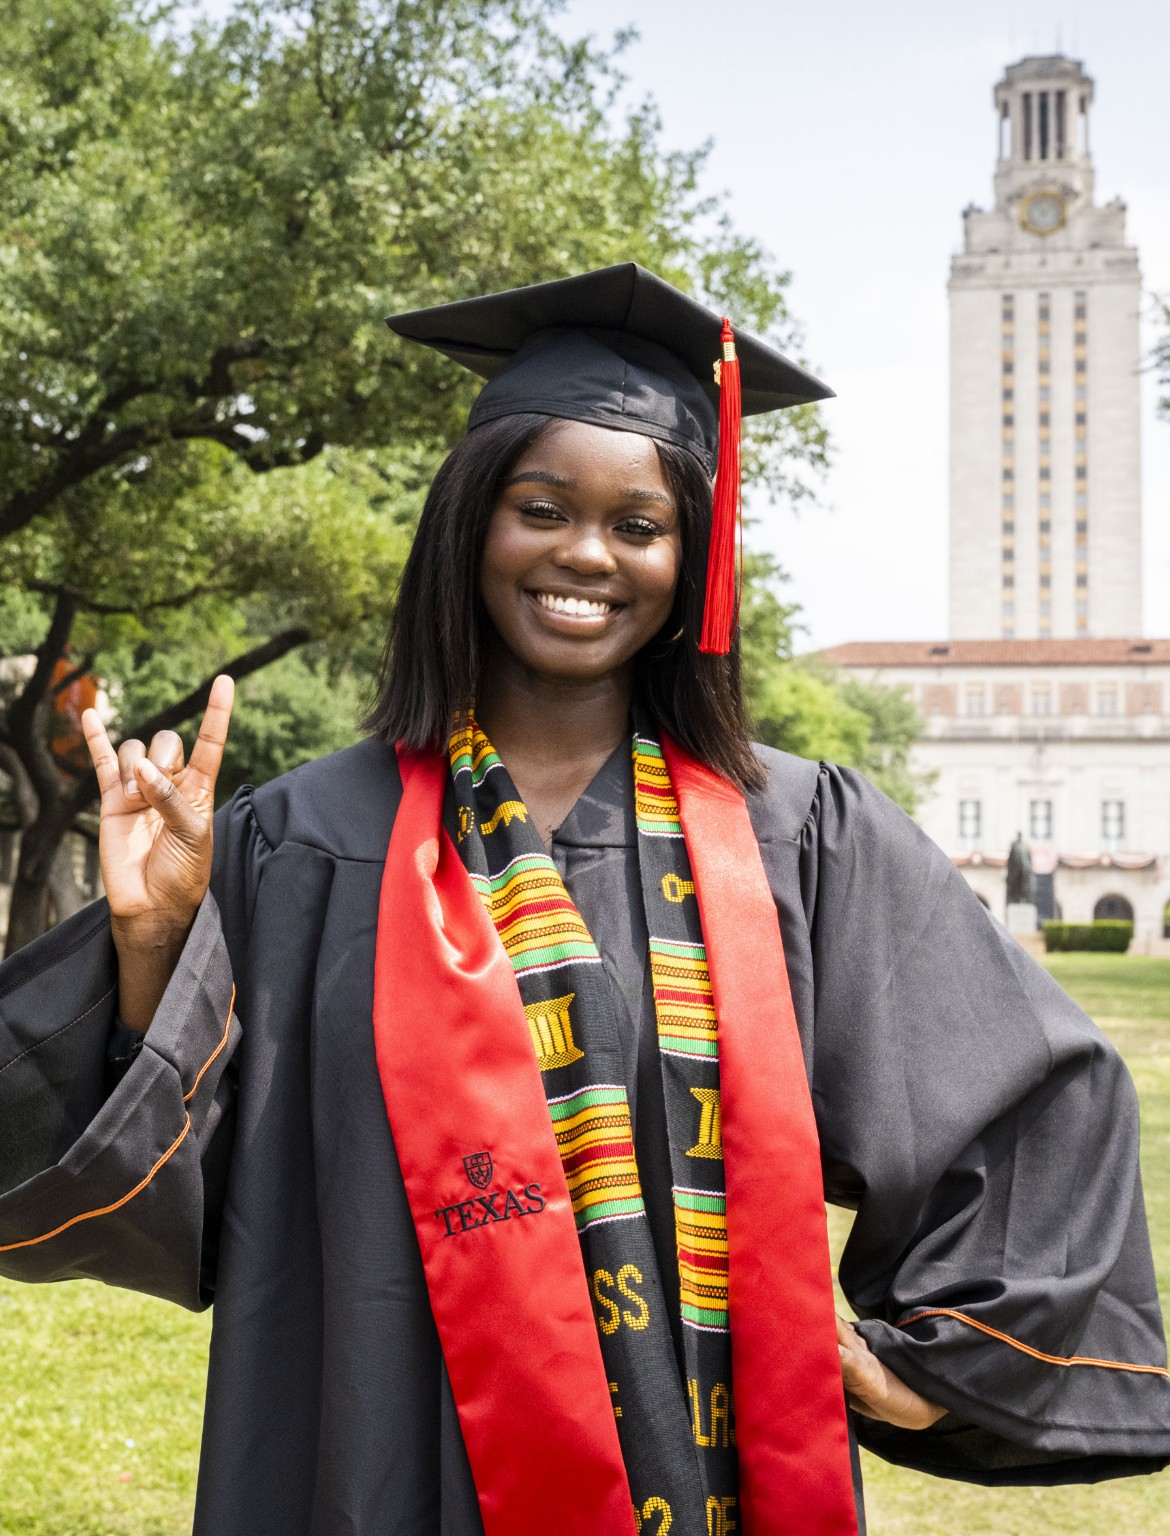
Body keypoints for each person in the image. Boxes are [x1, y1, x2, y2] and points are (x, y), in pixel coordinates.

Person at [0, 264, 1167, 1536]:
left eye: (639, 525)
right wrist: (157, 937)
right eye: (541, 508)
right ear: (471, 527)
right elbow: (203, 1190)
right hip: (367, 1440)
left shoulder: (796, 835)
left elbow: (1029, 1097)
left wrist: (939, 1363)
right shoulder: (305, 839)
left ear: (692, 561)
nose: (586, 556)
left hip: (701, 1456)